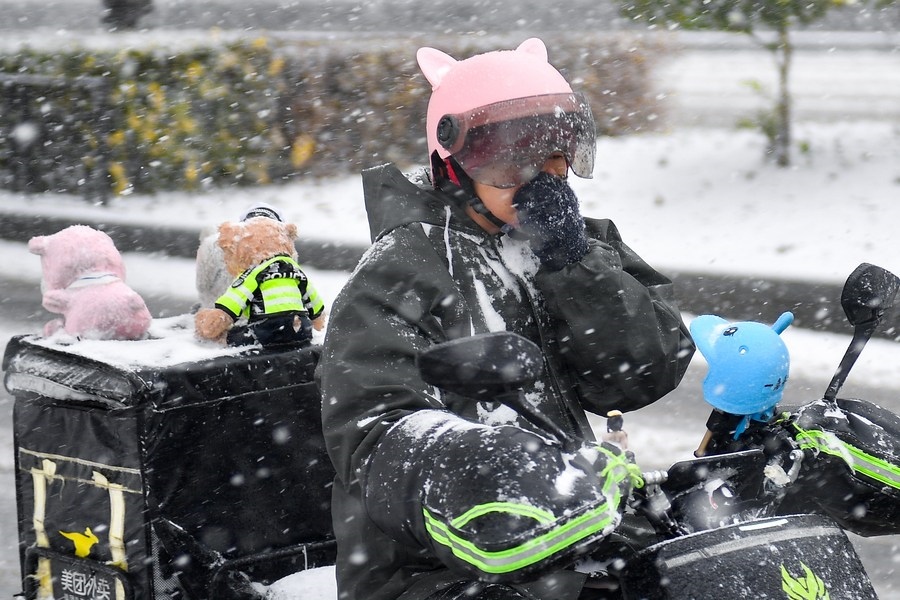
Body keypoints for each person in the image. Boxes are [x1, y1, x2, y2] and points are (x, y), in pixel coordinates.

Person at [317, 38, 695, 600]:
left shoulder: (571, 247)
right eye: (508, 163)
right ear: (452, 167)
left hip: (570, 532)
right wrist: (486, 471)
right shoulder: (402, 269)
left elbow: (639, 374)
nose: (538, 181)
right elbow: (374, 433)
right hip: (437, 564)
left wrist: (572, 265)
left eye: (553, 158)